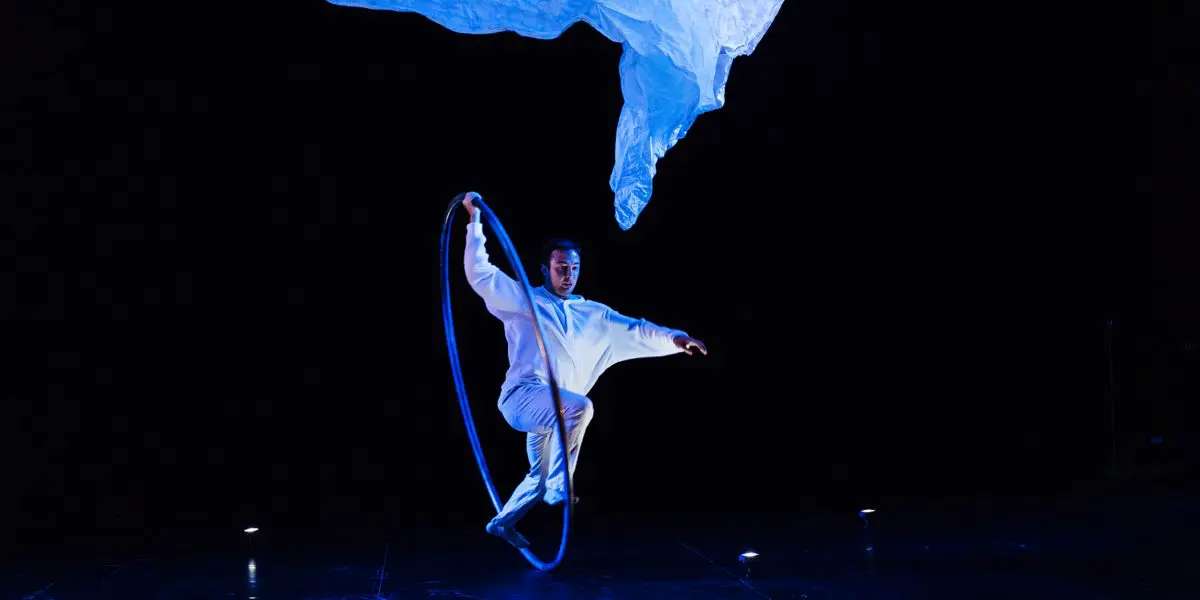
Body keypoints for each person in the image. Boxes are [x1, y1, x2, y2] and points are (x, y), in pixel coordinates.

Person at [460, 192, 706, 548]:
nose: (568, 275)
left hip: (558, 413)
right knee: (581, 408)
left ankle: (502, 523)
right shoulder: (523, 300)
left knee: (539, 476)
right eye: (561, 267)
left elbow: (635, 328)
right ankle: (563, 485)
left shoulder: (592, 313)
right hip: (523, 398)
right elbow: (480, 274)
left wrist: (675, 339)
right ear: (545, 269)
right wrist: (474, 221)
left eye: (574, 268)